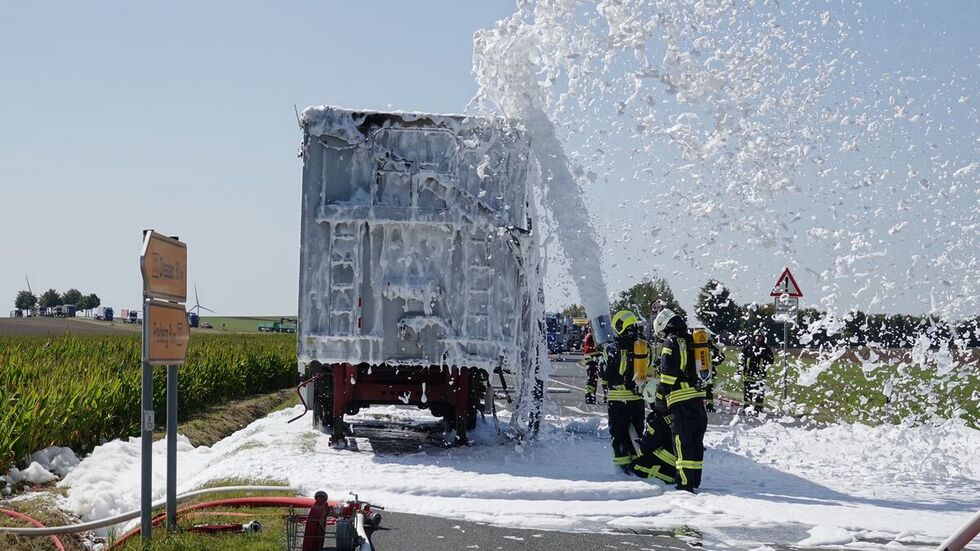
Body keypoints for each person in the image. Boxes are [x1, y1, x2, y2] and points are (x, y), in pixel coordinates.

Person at [652, 308, 708, 492]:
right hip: (698, 401)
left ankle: (684, 484)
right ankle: (694, 481)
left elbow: (667, 376)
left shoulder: (671, 342)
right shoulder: (694, 339)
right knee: (695, 442)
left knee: (682, 444)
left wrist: (660, 399)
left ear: (665, 326)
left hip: (680, 402)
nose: (662, 337)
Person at [601, 309, 649, 474]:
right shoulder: (642, 346)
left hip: (617, 401)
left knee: (619, 436)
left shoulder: (612, 349)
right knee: (636, 434)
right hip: (637, 400)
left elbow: (604, 376)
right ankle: (638, 467)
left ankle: (622, 471)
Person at [740, 334, 774, 413]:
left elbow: (771, 360)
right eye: (757, 336)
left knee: (759, 392)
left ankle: (758, 408)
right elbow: (741, 359)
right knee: (747, 391)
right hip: (748, 373)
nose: (758, 338)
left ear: (763, 338)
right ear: (754, 337)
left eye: (760, 337)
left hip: (760, 374)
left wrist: (765, 361)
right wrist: (739, 371)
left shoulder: (766, 349)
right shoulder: (748, 347)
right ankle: (747, 407)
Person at [581, 329, 602, 404]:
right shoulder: (591, 336)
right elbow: (592, 348)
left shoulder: (587, 336)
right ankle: (590, 397)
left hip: (590, 360)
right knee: (592, 379)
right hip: (592, 360)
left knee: (592, 379)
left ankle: (591, 397)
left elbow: (584, 348)